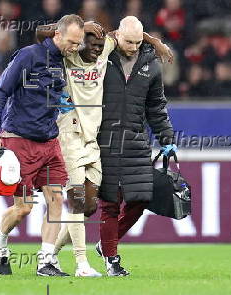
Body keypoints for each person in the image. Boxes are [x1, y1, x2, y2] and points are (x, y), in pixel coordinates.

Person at [35, 19, 172, 277]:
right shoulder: (72, 54)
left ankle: (50, 255)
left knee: (91, 207)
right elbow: (43, 32)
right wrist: (82, 25)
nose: (96, 49)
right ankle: (85, 263)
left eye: (99, 45)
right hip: (79, 136)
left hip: (108, 141)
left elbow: (127, 35)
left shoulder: (117, 53)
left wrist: (155, 43)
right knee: (88, 203)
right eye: (90, 43)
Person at [0, 14, 86, 277]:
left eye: (79, 44)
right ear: (58, 35)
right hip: (20, 140)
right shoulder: (28, 56)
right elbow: (0, 90)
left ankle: (46, 262)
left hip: (49, 141)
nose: (75, 48)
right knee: (24, 208)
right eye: (72, 43)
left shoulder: (64, 61)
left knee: (55, 199)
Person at [95, 16, 176, 276]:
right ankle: (111, 259)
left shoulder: (151, 64)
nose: (133, 47)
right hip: (103, 140)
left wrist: (167, 139)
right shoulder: (101, 55)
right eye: (129, 41)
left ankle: (105, 244)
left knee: (142, 198)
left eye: (139, 42)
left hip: (136, 142)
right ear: (117, 35)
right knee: (109, 203)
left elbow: (156, 107)